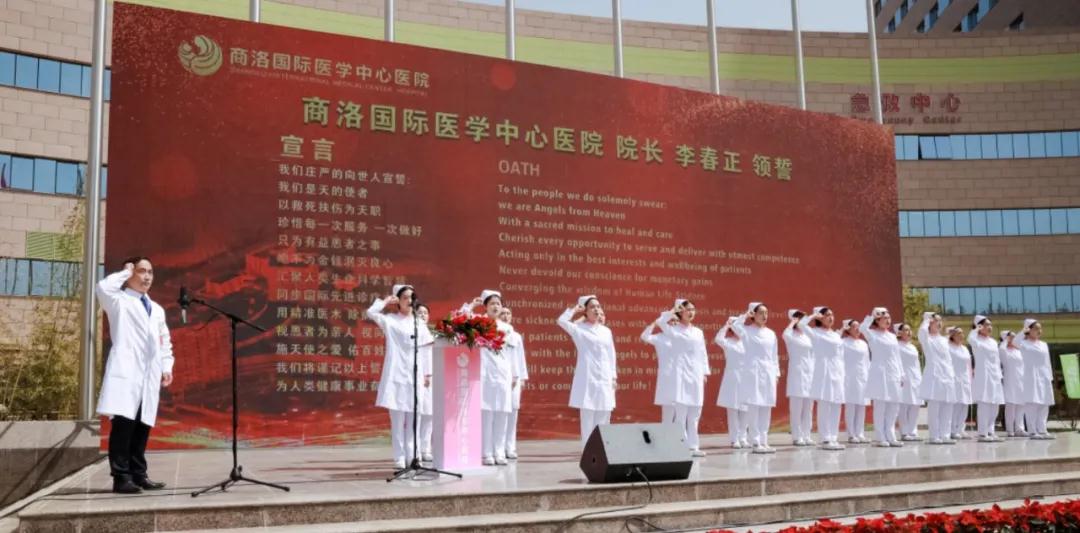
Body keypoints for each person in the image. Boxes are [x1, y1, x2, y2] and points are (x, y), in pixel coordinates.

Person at [96, 257, 174, 494]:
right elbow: (103, 287)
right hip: (127, 372)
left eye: (150, 272)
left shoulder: (156, 309)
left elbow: (164, 340)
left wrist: (167, 366)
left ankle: (139, 475)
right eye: (141, 271)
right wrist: (125, 272)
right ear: (130, 273)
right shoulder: (118, 301)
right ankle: (121, 478)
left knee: (142, 426)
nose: (147, 276)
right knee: (123, 426)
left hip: (149, 374)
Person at [367, 284, 433, 469]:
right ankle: (399, 457)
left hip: (415, 375)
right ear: (398, 300)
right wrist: (385, 301)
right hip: (396, 374)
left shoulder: (419, 323)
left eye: (412, 297)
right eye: (405, 298)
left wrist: (427, 373)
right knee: (397, 420)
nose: (409, 301)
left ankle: (413, 456)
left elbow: (426, 349)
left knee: (414, 419)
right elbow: (371, 313)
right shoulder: (390, 320)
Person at [461, 290, 515, 465]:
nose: (496, 306)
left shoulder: (507, 328)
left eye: (498, 303)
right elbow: (461, 319)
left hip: (503, 374)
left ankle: (499, 452)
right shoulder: (479, 323)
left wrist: (513, 374)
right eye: (492, 303)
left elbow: (511, 354)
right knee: (487, 415)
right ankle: (486, 453)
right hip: (485, 374)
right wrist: (472, 305)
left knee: (502, 414)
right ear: (485, 306)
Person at [557, 295, 617, 444]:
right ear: (585, 311)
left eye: (598, 306)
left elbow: (611, 354)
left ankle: (602, 449)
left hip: (605, 378)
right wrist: (574, 310)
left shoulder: (606, 331)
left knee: (604, 414)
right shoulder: (579, 329)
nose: (596, 309)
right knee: (588, 416)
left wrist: (613, 376)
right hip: (588, 377)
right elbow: (561, 321)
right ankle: (587, 449)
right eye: (592, 307)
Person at [653, 299, 710, 457]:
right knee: (681, 413)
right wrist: (673, 310)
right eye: (687, 309)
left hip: (696, 373)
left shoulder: (698, 332)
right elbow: (660, 321)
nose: (691, 312)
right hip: (680, 374)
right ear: (680, 312)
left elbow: (702, 353)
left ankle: (693, 446)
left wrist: (704, 372)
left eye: (693, 309)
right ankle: (681, 445)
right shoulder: (673, 330)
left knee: (695, 412)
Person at [733, 302, 779, 454]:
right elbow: (735, 325)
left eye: (766, 313)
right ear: (753, 314)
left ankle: (764, 440)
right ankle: (755, 441)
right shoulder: (746, 331)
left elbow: (774, 356)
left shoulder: (771, 333)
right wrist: (746, 315)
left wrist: (776, 373)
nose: (764, 316)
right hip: (753, 371)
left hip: (768, 371)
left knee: (766, 406)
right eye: (760, 313)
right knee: (754, 406)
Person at [861, 308, 904, 447]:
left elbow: (897, 356)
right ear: (877, 320)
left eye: (889, 318)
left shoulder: (892, 336)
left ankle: (891, 435)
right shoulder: (872, 334)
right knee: (880, 406)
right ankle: (880, 436)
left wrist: (901, 373)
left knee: (894, 405)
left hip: (893, 372)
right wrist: (871, 315)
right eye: (884, 318)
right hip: (879, 373)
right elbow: (862, 328)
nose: (888, 320)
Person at [805, 307, 845, 450]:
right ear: (820, 317)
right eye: (827, 315)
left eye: (832, 314)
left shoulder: (836, 335)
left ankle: (834, 437)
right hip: (823, 371)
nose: (831, 317)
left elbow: (840, 356)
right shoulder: (815, 333)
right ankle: (825, 438)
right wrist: (813, 315)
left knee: (836, 404)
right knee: (825, 405)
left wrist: (842, 373)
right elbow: (802, 324)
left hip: (837, 371)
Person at [919, 312, 957, 444]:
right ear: (930, 323)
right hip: (934, 376)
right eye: (936, 321)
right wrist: (926, 319)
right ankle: (934, 436)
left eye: (940, 321)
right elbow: (922, 331)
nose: (939, 323)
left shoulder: (944, 340)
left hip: (948, 376)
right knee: (934, 408)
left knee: (948, 406)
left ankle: (945, 435)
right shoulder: (927, 338)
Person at [1016, 319, 1055, 439]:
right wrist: (1024, 331)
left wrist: (1050, 376)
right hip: (1030, 376)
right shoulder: (1023, 343)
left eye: (1040, 328)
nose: (1039, 330)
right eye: (1036, 328)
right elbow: (1015, 341)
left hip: (1044, 375)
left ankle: (1042, 430)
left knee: (1044, 403)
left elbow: (1047, 361)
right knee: (1032, 403)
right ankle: (1032, 431)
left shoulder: (1043, 344)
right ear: (1029, 329)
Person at [968, 315, 1004, 442]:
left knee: (995, 405)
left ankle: (991, 431)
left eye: (990, 325)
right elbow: (970, 338)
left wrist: (999, 374)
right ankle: (982, 433)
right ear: (979, 326)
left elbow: (997, 360)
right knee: (984, 404)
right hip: (983, 375)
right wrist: (976, 329)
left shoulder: (993, 342)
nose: (990, 327)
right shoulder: (976, 339)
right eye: (986, 325)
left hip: (995, 375)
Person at [715, 316, 749, 449]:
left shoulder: (747, 342)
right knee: (733, 409)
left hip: (746, 377)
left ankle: (743, 438)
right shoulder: (728, 342)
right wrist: (726, 325)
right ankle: (734, 439)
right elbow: (718, 339)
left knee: (745, 409)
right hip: (732, 377)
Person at [782, 309, 815, 446]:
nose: (801, 319)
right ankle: (797, 436)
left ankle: (807, 435)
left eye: (802, 317)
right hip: (797, 373)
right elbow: (784, 334)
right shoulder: (791, 335)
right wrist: (792, 323)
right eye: (798, 317)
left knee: (808, 408)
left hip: (810, 373)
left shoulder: (808, 336)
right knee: (796, 408)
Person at [499, 306, 528, 460]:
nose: (505, 316)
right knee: (500, 413)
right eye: (503, 313)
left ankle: (510, 447)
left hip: (515, 379)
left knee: (512, 413)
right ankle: (499, 447)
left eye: (508, 313)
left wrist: (522, 377)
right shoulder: (495, 333)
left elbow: (520, 358)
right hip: (500, 377)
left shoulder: (516, 336)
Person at [641, 316, 676, 423]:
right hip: (667, 376)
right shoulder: (659, 337)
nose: (674, 323)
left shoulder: (681, 337)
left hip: (681, 375)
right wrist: (654, 324)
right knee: (668, 407)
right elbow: (644, 337)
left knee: (682, 409)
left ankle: (682, 432)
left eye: (676, 321)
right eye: (671, 321)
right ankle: (667, 430)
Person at [841, 319, 870, 444]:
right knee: (851, 406)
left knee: (861, 406)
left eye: (859, 326)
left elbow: (867, 361)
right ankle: (851, 434)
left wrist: (869, 376)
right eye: (854, 327)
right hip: (849, 377)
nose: (858, 329)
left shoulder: (863, 343)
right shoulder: (843, 343)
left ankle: (860, 433)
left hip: (863, 376)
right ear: (848, 329)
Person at [895, 323, 924, 441]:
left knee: (915, 405)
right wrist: (900, 376)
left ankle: (913, 431)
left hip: (915, 377)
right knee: (904, 405)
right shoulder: (897, 346)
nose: (909, 332)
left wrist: (920, 378)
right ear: (899, 332)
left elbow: (917, 364)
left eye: (909, 329)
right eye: (906, 330)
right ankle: (904, 432)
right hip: (904, 377)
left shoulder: (912, 347)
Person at [415, 303, 435, 461]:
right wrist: (424, 374)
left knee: (429, 414)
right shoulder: (412, 332)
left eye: (425, 313)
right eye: (419, 312)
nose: (422, 315)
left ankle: (426, 448)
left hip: (432, 378)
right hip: (418, 376)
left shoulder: (433, 334)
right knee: (418, 414)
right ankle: (415, 450)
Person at [999, 330, 1027, 437]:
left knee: (1021, 405)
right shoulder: (1004, 350)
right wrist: (1006, 340)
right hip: (1010, 380)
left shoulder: (1018, 351)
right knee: (1011, 405)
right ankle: (1010, 429)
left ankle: (1020, 429)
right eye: (1011, 337)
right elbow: (1001, 348)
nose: (1014, 339)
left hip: (1021, 380)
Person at [948, 326, 974, 440]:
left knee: (964, 404)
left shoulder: (964, 348)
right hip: (954, 379)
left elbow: (969, 365)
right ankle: (952, 430)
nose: (961, 335)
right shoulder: (948, 347)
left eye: (962, 333)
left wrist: (970, 379)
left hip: (965, 379)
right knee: (956, 405)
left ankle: (960, 429)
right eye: (958, 333)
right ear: (952, 335)